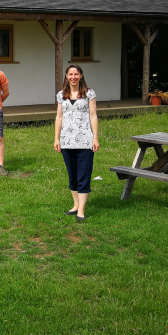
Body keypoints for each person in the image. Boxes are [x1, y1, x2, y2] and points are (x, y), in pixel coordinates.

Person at [54, 64, 99, 221]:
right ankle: (75, 205)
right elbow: (59, 117)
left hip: (85, 141)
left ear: (80, 76)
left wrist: (95, 137)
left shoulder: (89, 94)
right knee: (72, 175)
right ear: (66, 76)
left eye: (76, 74)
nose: (73, 77)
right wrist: (56, 138)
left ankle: (81, 210)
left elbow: (93, 116)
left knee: (83, 175)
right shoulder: (61, 95)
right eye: (70, 74)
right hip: (67, 141)